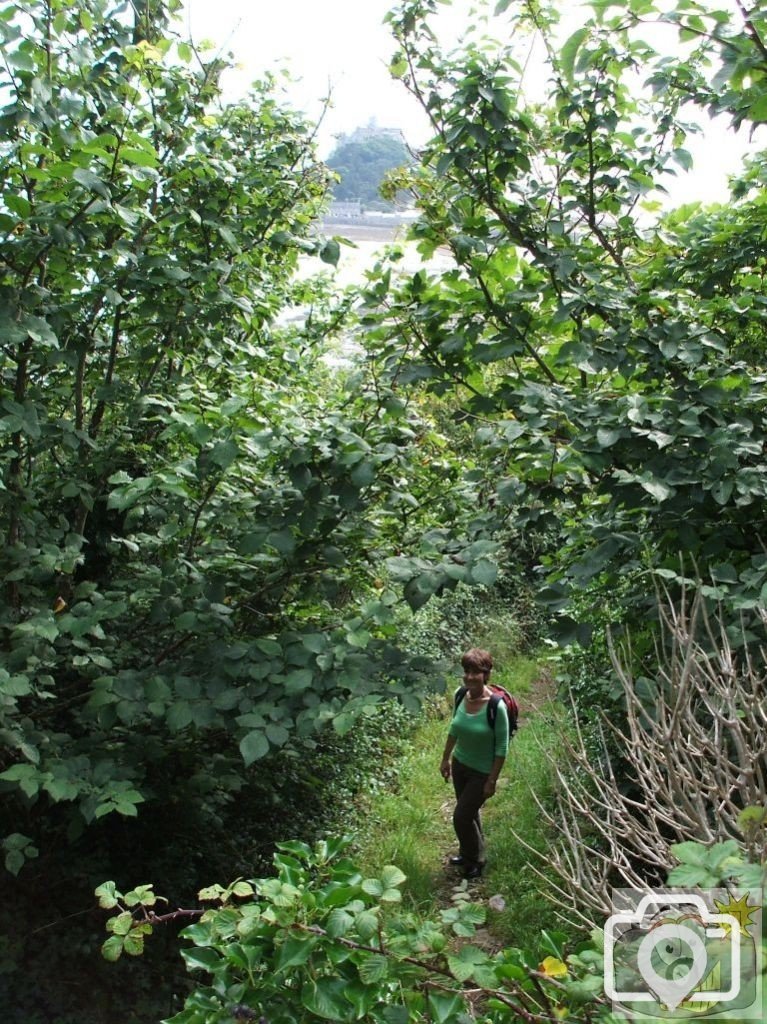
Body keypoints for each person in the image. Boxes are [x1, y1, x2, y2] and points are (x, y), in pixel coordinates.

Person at [439, 647, 509, 879]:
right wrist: (446, 759)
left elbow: (501, 748)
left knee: (460, 816)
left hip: (482, 771)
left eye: (475, 672)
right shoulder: (460, 695)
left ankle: (476, 860)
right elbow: (454, 729)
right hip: (460, 765)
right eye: (467, 671)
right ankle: (470, 853)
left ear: (486, 674)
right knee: (469, 813)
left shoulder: (496, 706)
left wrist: (492, 780)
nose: (470, 677)